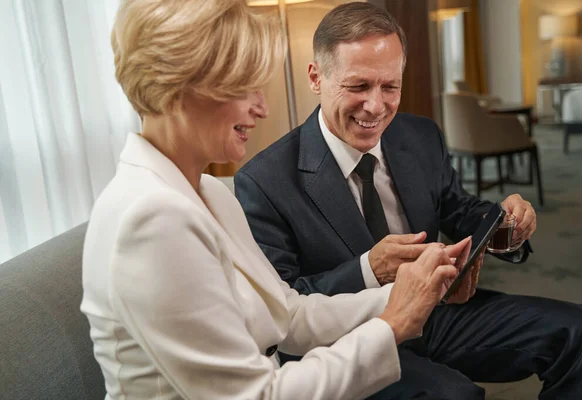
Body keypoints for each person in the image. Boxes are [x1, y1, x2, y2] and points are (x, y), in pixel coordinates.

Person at [79, 0, 472, 398]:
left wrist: (413, 292)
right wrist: (392, 326)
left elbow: (289, 314)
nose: (262, 107)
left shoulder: (210, 191)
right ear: (178, 86)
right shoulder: (151, 219)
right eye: (242, 87)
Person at [234, 2, 582, 399]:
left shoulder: (419, 135)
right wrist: (369, 269)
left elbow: (457, 208)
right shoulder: (263, 181)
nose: (376, 106)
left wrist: (502, 226)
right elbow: (280, 311)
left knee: (579, 331)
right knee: (456, 395)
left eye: (390, 86)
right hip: (349, 340)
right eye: (358, 86)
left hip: (436, 312)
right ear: (316, 77)